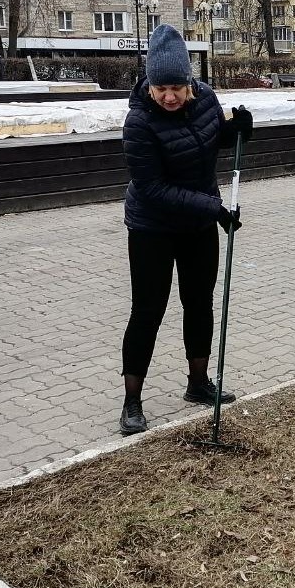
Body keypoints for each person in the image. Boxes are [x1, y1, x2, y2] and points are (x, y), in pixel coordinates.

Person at [119, 25, 253, 435]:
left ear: (190, 81)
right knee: (148, 312)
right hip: (152, 228)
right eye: (161, 88)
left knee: (199, 304)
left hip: (197, 223)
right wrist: (214, 207)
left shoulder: (206, 98)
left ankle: (198, 384)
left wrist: (240, 129)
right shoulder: (138, 122)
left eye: (177, 86)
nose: (170, 96)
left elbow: (208, 140)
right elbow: (153, 188)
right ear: (150, 84)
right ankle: (131, 402)